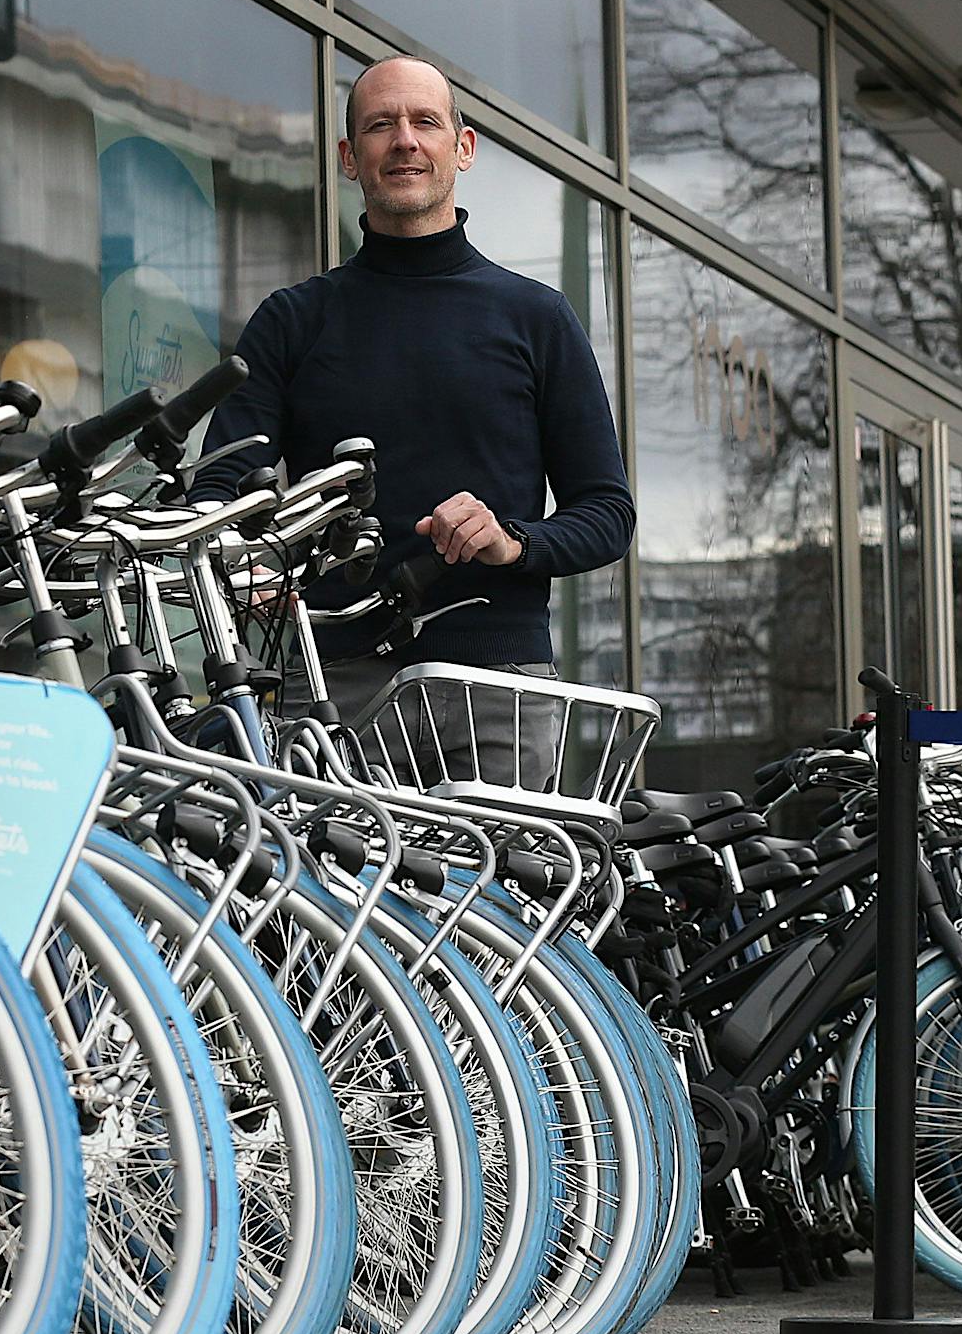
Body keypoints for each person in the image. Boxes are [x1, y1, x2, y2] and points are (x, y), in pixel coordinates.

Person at [193, 54, 635, 786]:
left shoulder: (537, 317)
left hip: (497, 688)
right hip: (331, 691)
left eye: (425, 121)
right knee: (327, 870)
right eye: (381, 125)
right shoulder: (293, 320)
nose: (404, 140)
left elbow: (607, 514)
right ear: (349, 158)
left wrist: (512, 541)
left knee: (509, 871)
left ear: (462, 148)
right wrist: (245, 561)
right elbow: (219, 489)